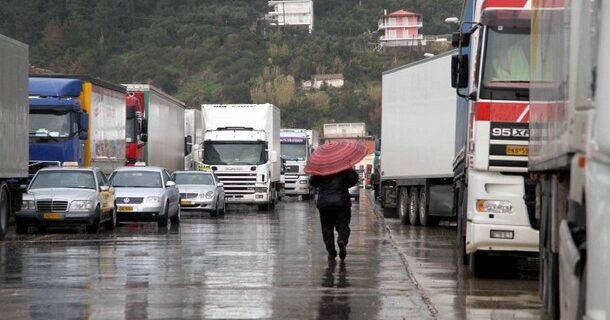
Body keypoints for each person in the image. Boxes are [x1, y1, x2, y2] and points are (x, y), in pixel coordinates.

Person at [310, 168, 359, 261]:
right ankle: (342, 240)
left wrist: (316, 173)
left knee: (327, 229)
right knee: (343, 226)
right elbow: (354, 180)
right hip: (341, 202)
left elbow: (313, 182)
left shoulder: (321, 167)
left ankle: (331, 252)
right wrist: (350, 170)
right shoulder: (344, 166)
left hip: (325, 203)